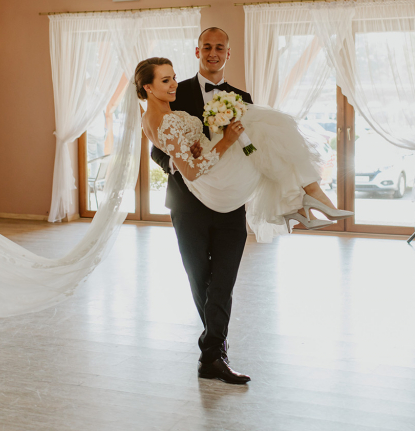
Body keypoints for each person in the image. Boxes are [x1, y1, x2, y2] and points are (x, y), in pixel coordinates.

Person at [143, 28, 352, 384]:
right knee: (201, 281)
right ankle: (214, 355)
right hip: (188, 202)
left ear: (228, 54)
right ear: (197, 51)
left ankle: (212, 355)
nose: (212, 53)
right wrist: (181, 165)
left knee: (223, 281)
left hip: (230, 201)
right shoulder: (175, 92)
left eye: (219, 48)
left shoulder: (241, 97)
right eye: (206, 47)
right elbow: (157, 147)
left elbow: (249, 147)